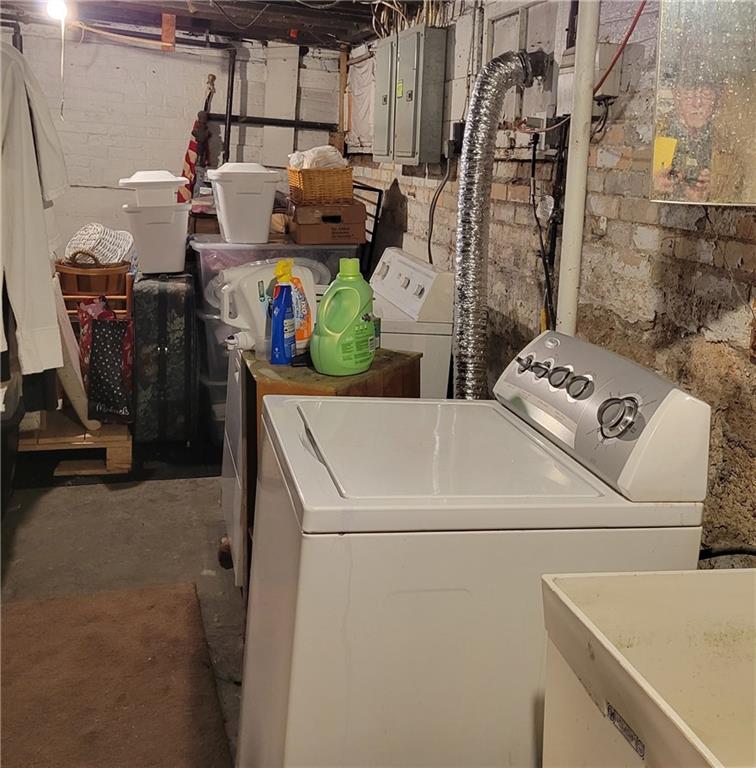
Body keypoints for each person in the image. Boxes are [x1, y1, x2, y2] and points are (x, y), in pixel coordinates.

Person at [654, 76, 719, 202]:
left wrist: (715, 194)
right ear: (676, 95)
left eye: (706, 93)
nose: (697, 103)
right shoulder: (657, 135)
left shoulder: (728, 148)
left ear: (716, 99)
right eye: (689, 92)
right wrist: (654, 187)